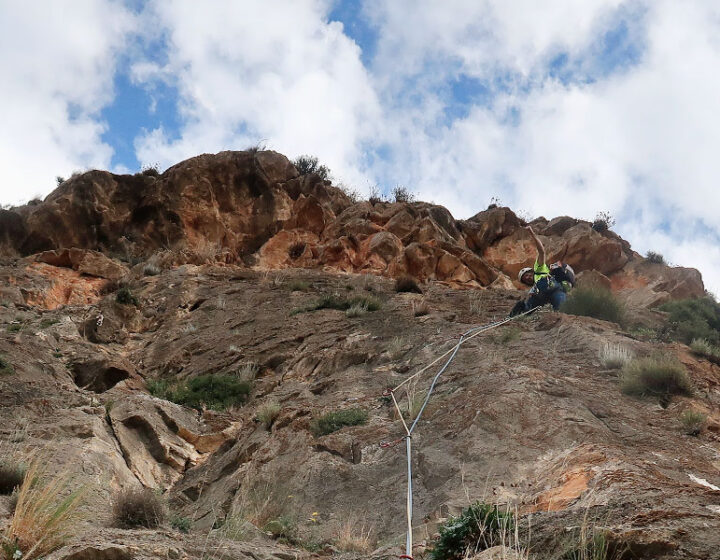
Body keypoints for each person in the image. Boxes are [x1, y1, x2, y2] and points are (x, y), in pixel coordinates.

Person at [509, 226, 568, 316]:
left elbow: (541, 251)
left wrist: (531, 233)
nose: (527, 278)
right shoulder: (533, 288)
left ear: (532, 271)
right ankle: (517, 313)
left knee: (562, 309)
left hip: (555, 289)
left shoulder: (539, 269)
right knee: (528, 306)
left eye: (527, 275)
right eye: (525, 279)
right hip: (542, 295)